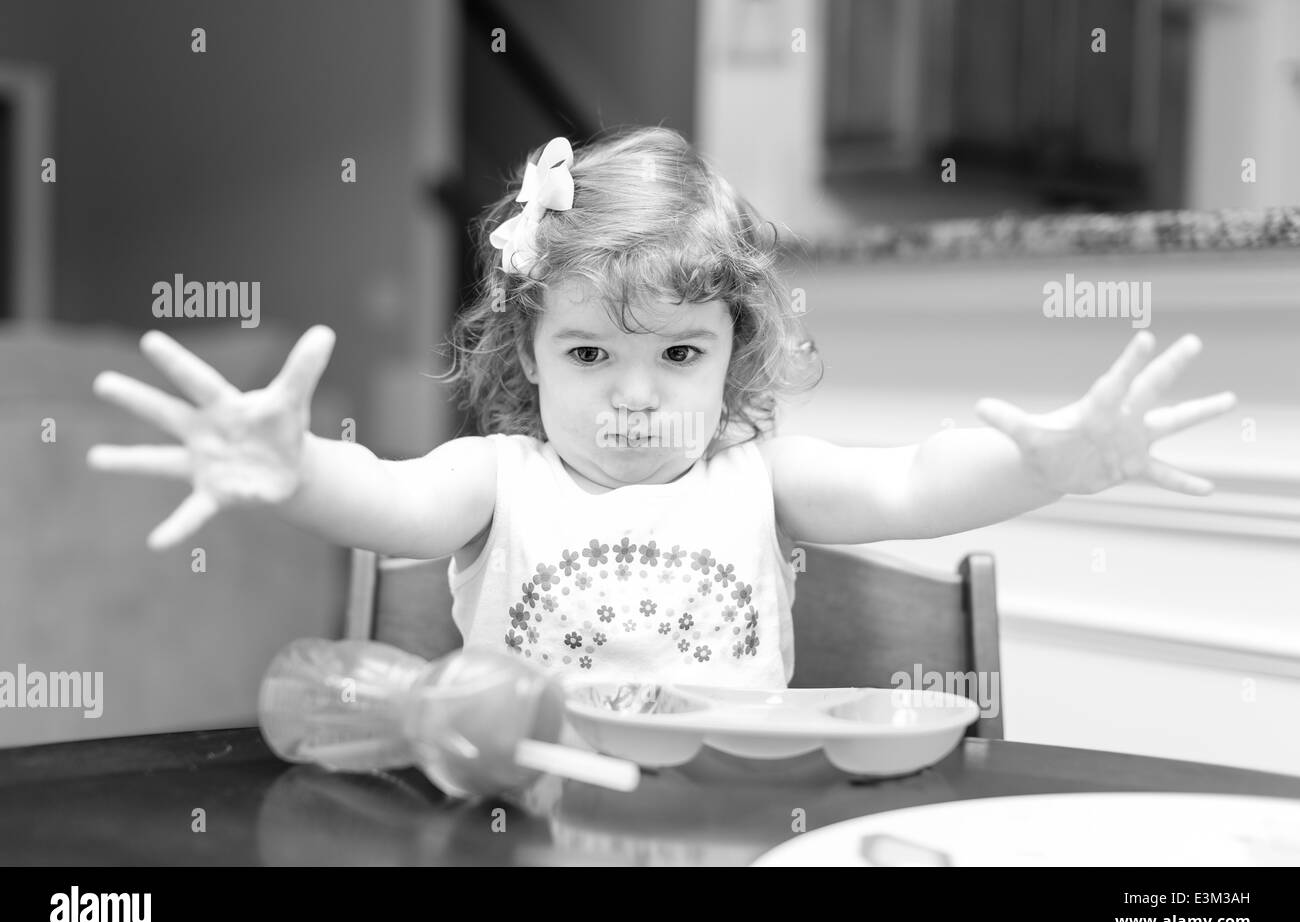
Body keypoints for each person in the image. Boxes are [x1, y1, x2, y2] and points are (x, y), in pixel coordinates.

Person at [87, 127, 1236, 689]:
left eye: (678, 351)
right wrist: (295, 470)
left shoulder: (759, 474)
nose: (634, 391)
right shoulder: (499, 475)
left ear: (732, 350)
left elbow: (913, 480)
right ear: (528, 355)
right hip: (522, 828)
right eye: (589, 350)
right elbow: (388, 500)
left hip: (737, 825)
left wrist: (1052, 464)